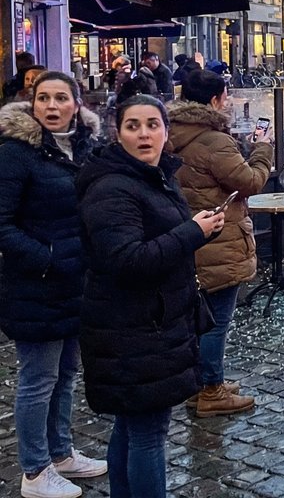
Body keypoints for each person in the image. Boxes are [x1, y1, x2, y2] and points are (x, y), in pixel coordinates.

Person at [76, 94, 223, 498]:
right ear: (117, 132)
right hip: (133, 327)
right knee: (147, 433)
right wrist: (193, 232)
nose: (144, 134)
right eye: (133, 126)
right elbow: (127, 260)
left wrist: (198, 228)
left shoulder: (154, 175)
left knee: (133, 425)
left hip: (152, 321)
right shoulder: (112, 188)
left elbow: (160, 237)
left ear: (165, 130)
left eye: (152, 125)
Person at [0, 72, 106, 498]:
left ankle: (61, 453)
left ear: (76, 104)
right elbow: (2, 224)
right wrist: (47, 258)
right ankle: (34, 470)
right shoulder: (15, 153)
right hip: (35, 286)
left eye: (60, 97)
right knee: (37, 379)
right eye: (43, 97)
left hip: (73, 282)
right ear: (32, 103)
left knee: (65, 374)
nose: (51, 105)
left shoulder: (81, 149)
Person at [167, 70, 271, 417]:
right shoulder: (213, 140)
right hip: (218, 240)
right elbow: (250, 183)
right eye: (225, 96)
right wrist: (261, 149)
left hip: (187, 236)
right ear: (215, 100)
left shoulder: (171, 132)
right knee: (216, 321)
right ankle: (211, 390)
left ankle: (202, 382)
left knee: (200, 317)